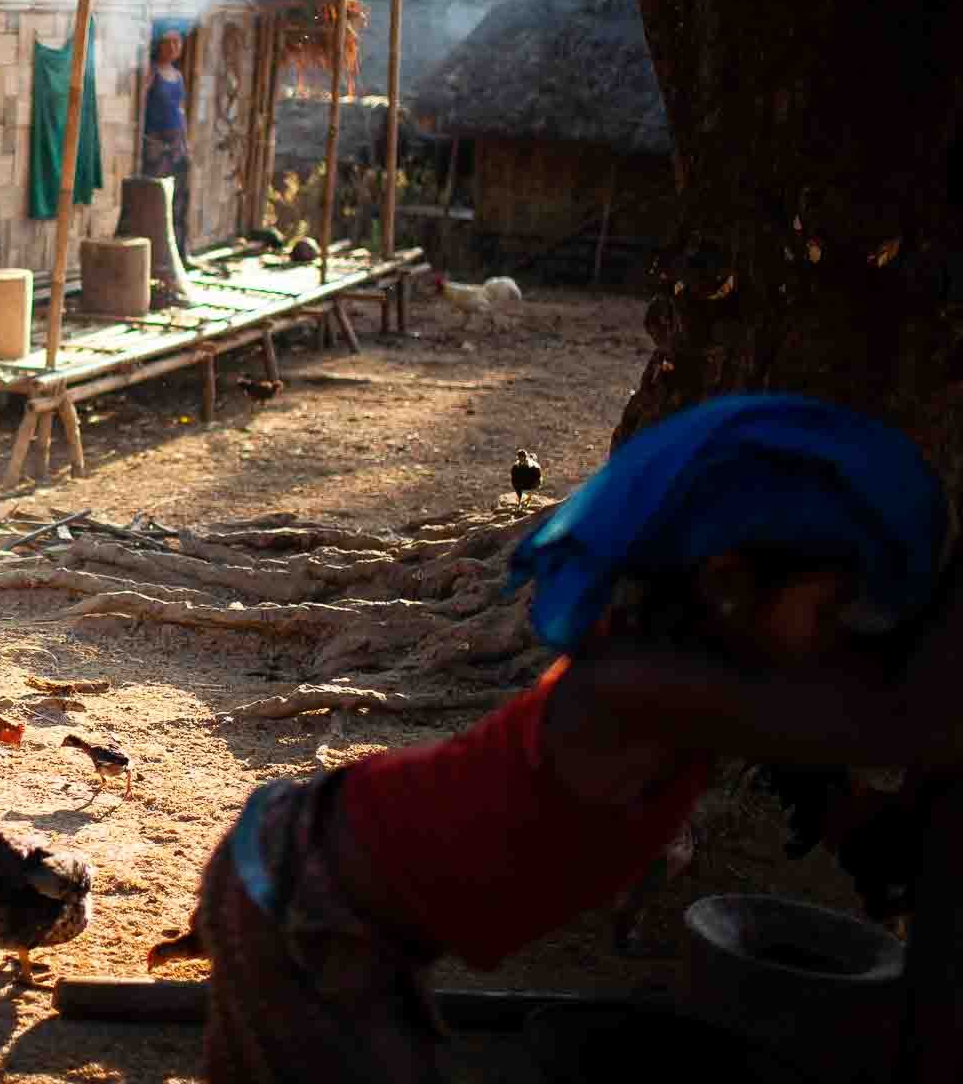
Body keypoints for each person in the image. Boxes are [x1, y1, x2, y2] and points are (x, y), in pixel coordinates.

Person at [183, 392, 963, 1083]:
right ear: (727, 583)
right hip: (301, 891)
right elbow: (907, 722)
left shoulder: (706, 687)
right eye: (832, 613)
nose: (844, 642)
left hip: (339, 898)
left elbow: (843, 752)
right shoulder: (639, 686)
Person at [142, 28, 193, 260]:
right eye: (168, 42)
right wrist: (149, 141)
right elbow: (140, 105)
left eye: (177, 42)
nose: (173, 47)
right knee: (157, 196)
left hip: (177, 143)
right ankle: (156, 253)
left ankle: (180, 251)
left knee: (181, 197)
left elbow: (180, 110)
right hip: (157, 143)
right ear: (159, 45)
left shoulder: (178, 75)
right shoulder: (152, 72)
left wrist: (184, 141)